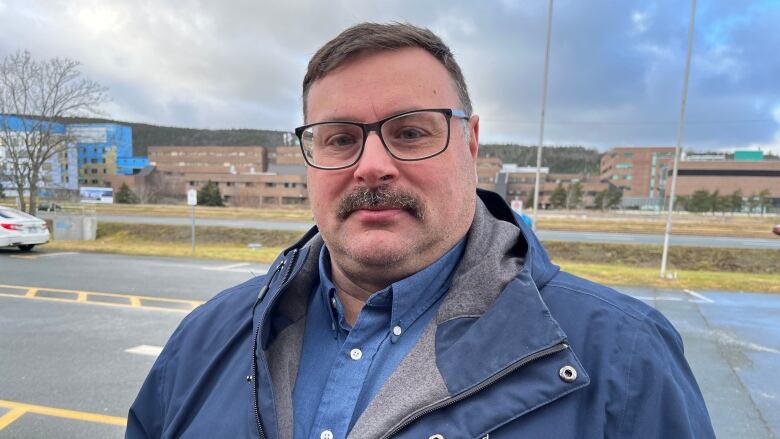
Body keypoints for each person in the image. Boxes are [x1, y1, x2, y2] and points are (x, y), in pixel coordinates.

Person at [127, 23, 715, 439]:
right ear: (309, 157)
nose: (372, 164)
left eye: (410, 132)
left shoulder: (625, 358)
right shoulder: (204, 341)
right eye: (339, 138)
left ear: (472, 142)